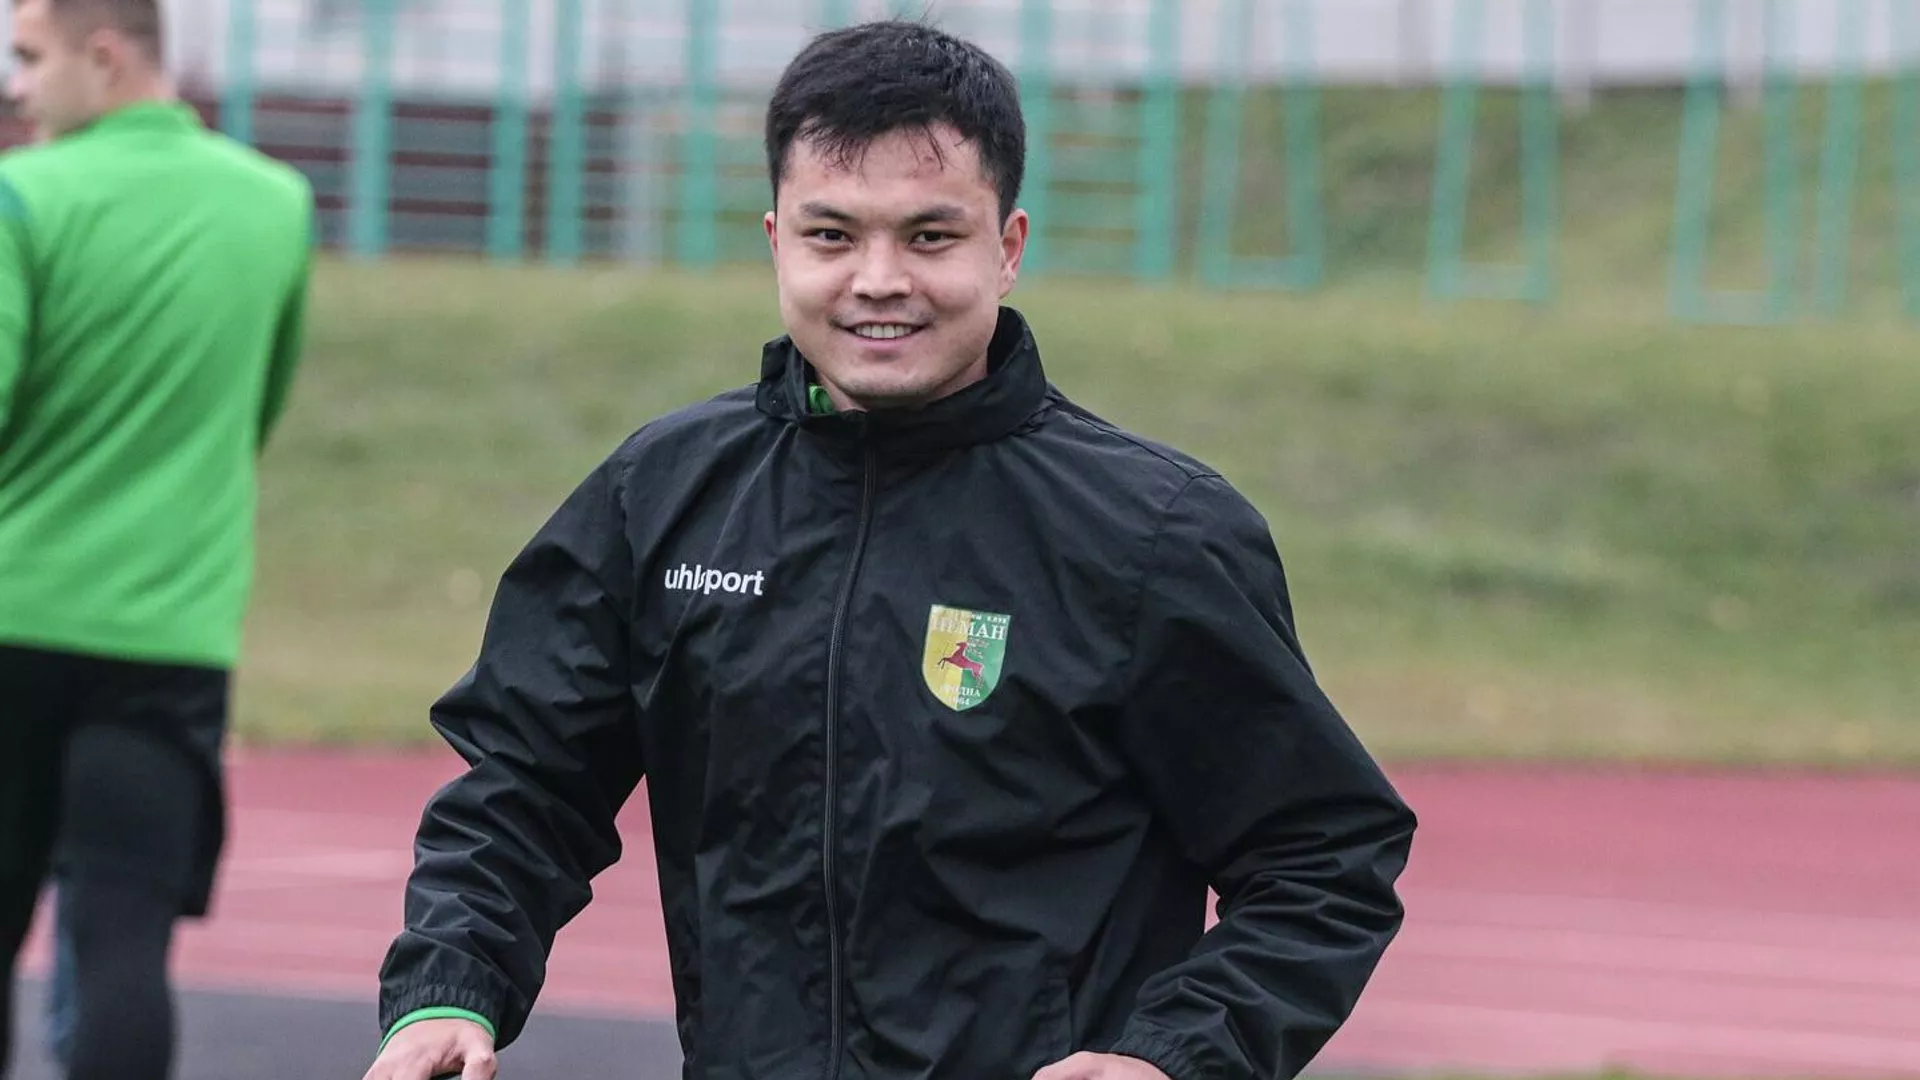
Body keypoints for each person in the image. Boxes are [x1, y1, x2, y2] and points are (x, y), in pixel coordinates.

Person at [365, 18, 1415, 1080]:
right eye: (832, 235)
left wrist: (1171, 1057)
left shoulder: (1153, 533)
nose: (878, 278)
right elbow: (525, 786)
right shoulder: (663, 496)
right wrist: (449, 990)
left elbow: (1320, 857)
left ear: (1007, 248)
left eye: (929, 236)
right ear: (776, 241)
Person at [0, 0, 315, 1075]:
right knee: (123, 940)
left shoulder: (23, 194)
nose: (17, 88)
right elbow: (255, 411)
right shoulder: (276, 203)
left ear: (102, 56)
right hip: (167, 638)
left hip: (10, 620)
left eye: (28, 59)